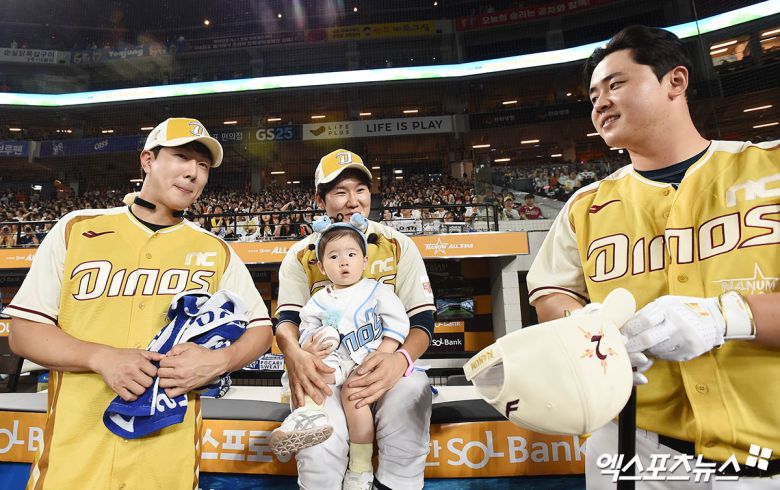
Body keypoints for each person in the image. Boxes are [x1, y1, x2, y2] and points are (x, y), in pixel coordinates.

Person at [527, 25, 780, 489]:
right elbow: (552, 294)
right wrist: (589, 329)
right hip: (633, 447)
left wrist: (728, 318)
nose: (600, 103)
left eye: (616, 84)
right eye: (593, 96)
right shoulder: (585, 204)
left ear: (675, 81)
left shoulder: (772, 167)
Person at [6, 117, 273, 489]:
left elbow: (261, 329)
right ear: (148, 160)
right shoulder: (77, 228)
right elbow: (23, 332)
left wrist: (220, 361)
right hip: (75, 452)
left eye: (203, 165)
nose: (193, 172)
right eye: (181, 157)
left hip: (167, 458)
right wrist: (101, 357)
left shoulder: (215, 249)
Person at [275, 149, 436, 489]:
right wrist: (296, 354)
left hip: (386, 361)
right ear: (320, 200)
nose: (352, 201)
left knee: (411, 393)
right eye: (340, 192)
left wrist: (399, 359)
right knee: (318, 449)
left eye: (360, 190)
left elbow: (422, 321)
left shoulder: (396, 244)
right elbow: (286, 320)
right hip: (329, 366)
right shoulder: (302, 253)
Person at [270, 217, 411, 489]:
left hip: (368, 360)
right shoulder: (319, 299)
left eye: (351, 255)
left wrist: (385, 352)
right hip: (337, 359)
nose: (343, 262)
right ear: (322, 266)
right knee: (314, 373)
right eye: (334, 257)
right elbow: (306, 327)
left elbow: (398, 324)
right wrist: (308, 345)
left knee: (352, 395)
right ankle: (304, 421)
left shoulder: (377, 291)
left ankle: (360, 469)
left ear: (365, 261)